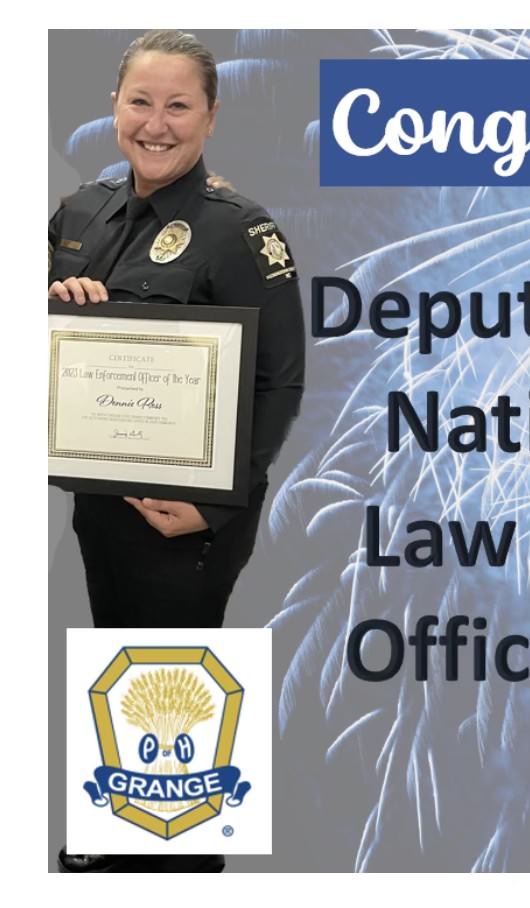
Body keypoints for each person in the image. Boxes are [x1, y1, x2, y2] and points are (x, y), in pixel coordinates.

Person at [49, 30, 305, 872]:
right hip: (100, 494)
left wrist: (218, 504)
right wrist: (57, 304)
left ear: (210, 116)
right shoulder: (82, 211)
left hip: (192, 510)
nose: (155, 124)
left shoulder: (240, 229)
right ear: (115, 108)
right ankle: (125, 839)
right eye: (139, 102)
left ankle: (178, 863)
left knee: (178, 685)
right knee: (122, 663)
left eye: (178, 105)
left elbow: (281, 382)